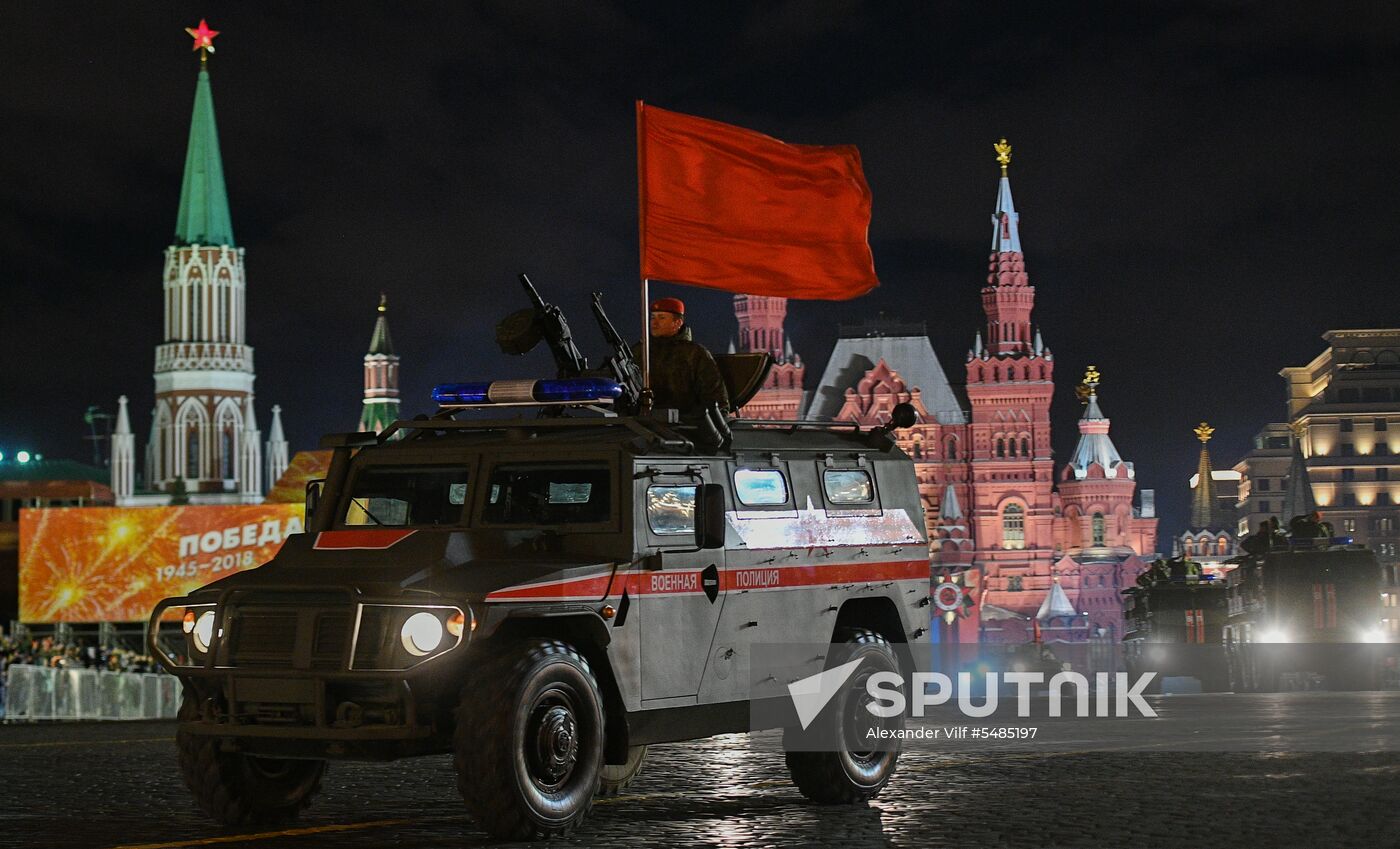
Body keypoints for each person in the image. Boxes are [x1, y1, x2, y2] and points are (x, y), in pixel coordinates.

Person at [632, 297, 729, 420]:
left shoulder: (695, 354)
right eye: (652, 317)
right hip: (642, 425)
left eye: (661, 318)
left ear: (677, 323)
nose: (654, 323)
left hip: (685, 428)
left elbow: (716, 399)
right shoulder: (641, 351)